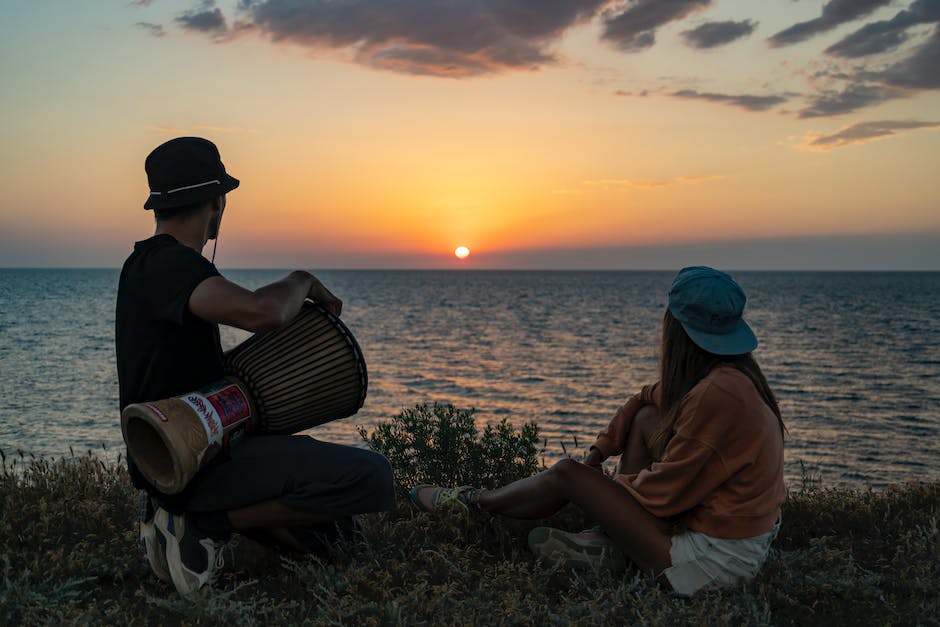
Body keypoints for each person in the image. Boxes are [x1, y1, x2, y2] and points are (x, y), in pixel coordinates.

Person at [116, 137, 395, 596]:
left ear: (158, 205)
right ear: (217, 201)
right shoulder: (170, 266)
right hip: (195, 463)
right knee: (372, 477)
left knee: (342, 540)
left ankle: (173, 520)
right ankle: (201, 524)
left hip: (176, 461)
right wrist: (300, 279)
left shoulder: (145, 264)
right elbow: (264, 313)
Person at [410, 266, 785, 596]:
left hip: (710, 565)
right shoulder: (729, 379)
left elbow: (665, 493)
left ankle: (475, 504)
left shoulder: (716, 395)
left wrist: (594, 488)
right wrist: (600, 452)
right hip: (740, 547)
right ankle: (609, 542)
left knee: (567, 473)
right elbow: (647, 398)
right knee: (646, 418)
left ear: (677, 330)